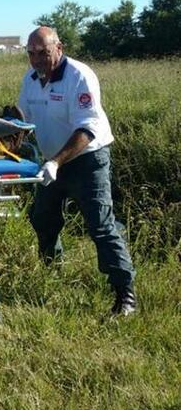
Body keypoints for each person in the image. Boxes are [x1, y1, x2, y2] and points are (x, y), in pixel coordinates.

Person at [18, 27, 137, 316]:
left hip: (86, 160)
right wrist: (10, 131)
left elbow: (87, 129)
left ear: (59, 47)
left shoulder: (79, 76)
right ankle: (52, 273)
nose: (36, 59)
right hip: (50, 163)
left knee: (100, 224)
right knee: (43, 218)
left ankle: (125, 295)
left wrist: (56, 162)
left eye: (43, 53)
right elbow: (24, 120)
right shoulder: (31, 79)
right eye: (31, 53)